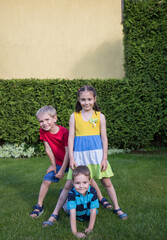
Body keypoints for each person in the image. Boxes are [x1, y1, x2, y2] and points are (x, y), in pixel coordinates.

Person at [67, 85, 128, 220]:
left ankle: (117, 207)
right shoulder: (74, 116)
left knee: (106, 182)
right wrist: (71, 157)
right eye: (83, 100)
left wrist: (104, 157)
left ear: (95, 99)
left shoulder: (100, 116)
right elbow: (71, 137)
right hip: (80, 155)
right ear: (79, 100)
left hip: (97, 155)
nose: (86, 102)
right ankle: (70, 208)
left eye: (89, 99)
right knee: (75, 183)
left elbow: (104, 137)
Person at [29, 105, 69, 219]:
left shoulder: (64, 132)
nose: (44, 123)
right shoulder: (43, 131)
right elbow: (48, 149)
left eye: (47, 120)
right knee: (47, 180)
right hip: (58, 162)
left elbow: (68, 152)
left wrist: (62, 170)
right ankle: (39, 205)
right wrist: (53, 165)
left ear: (55, 118)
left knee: (83, 178)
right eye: (41, 121)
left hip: (71, 160)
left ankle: (100, 197)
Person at [66, 165, 99, 238]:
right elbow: (72, 213)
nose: (81, 186)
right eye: (77, 183)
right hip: (76, 213)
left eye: (84, 182)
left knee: (95, 211)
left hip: (86, 213)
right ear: (73, 182)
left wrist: (90, 228)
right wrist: (75, 233)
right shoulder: (72, 194)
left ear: (90, 182)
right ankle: (65, 203)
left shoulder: (93, 191)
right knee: (67, 208)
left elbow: (93, 211)